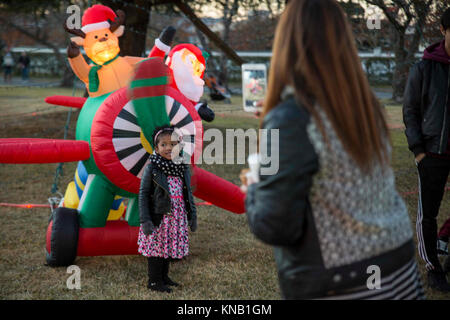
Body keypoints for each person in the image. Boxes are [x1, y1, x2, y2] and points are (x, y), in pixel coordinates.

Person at [243, 0, 425, 299]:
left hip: (344, 283)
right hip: (399, 269)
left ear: (287, 42)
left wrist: (254, 186)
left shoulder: (293, 118)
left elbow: (276, 225)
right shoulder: (365, 106)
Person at [403, 7, 450, 292]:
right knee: (428, 215)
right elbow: (410, 111)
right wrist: (419, 150)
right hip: (432, 152)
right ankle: (433, 267)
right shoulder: (424, 68)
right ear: (444, 31)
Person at [138, 125, 197, 293]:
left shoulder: (182, 167)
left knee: (168, 247)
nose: (169, 148)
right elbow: (143, 194)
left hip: (176, 215)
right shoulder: (153, 167)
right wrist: (145, 220)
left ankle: (164, 277)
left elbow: (188, 193)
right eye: (163, 145)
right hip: (159, 216)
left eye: (173, 144)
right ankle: (154, 281)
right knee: (157, 248)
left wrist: (192, 215)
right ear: (156, 148)